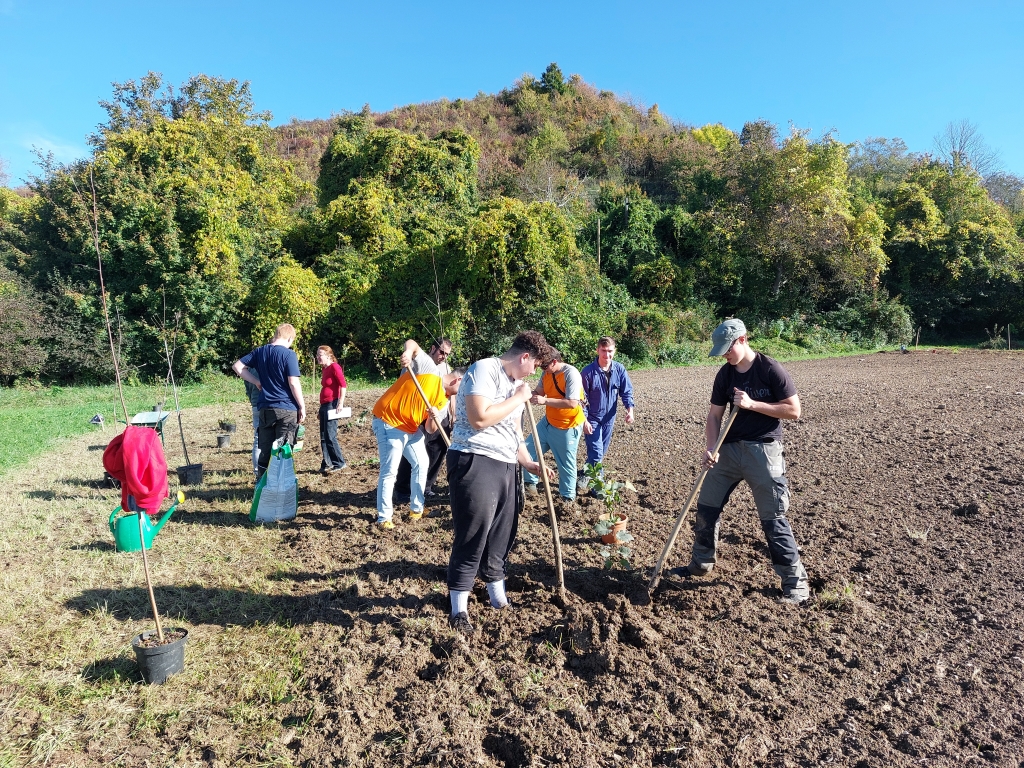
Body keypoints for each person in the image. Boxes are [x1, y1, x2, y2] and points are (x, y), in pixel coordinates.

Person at [670, 319, 810, 605]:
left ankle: (795, 584)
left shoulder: (770, 369)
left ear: (743, 340)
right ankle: (701, 564)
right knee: (706, 508)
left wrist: (752, 404)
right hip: (728, 450)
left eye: (728, 349)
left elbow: (794, 411)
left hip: (764, 451)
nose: (725, 355)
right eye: (721, 351)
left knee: (773, 519)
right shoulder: (725, 375)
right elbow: (713, 416)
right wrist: (710, 447)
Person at [446, 331, 554, 635]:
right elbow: (479, 417)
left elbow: (513, 433)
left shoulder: (515, 385)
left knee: (501, 536)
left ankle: (498, 599)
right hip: (474, 459)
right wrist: (518, 398)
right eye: (536, 365)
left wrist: (529, 462)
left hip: (507, 465)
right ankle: (458, 609)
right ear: (524, 357)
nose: (535, 372)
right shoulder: (484, 369)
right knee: (473, 535)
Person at [371, 339, 463, 528]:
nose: (463, 394)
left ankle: (417, 509)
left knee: (422, 463)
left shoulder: (443, 401)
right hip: (389, 420)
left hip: (409, 428)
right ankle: (384, 517)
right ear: (457, 380)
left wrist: (433, 416)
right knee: (390, 470)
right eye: (463, 389)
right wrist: (407, 353)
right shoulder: (430, 370)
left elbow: (430, 429)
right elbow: (412, 343)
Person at [232, 323, 305, 478]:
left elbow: (238, 367)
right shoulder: (289, 355)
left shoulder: (260, 351)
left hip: (265, 408)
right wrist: (302, 406)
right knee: (283, 448)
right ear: (290, 338)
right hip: (286, 408)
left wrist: (256, 381)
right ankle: (281, 485)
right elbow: (293, 382)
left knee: (265, 450)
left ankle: (263, 483)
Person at [393, 338, 454, 501]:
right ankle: (402, 488)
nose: (444, 357)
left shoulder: (446, 368)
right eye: (442, 352)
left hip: (439, 413)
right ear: (433, 348)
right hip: (418, 414)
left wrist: (451, 411)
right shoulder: (420, 362)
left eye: (447, 354)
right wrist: (407, 353)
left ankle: (427, 485)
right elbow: (411, 344)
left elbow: (451, 389)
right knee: (413, 451)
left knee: (439, 449)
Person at [522, 349, 585, 504]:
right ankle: (530, 484)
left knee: (565, 464)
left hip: (567, 425)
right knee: (528, 449)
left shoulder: (571, 374)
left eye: (544, 366)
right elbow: (539, 391)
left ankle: (567, 498)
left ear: (555, 362)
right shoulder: (547, 374)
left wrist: (544, 401)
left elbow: (572, 403)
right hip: (548, 422)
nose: (541, 370)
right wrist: (524, 393)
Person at [580, 336, 636, 473]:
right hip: (592, 418)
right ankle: (597, 488)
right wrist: (584, 421)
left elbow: (626, 391)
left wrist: (630, 410)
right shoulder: (587, 372)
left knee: (600, 453)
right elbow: (581, 399)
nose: (607, 355)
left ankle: (586, 474)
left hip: (609, 419)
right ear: (597, 350)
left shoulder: (619, 369)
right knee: (597, 453)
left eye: (610, 351)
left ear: (614, 351)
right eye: (603, 351)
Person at [316, 345, 347, 473]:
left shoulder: (335, 367)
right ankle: (327, 463)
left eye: (320, 354)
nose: (318, 357)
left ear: (328, 355)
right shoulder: (325, 369)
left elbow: (343, 385)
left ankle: (339, 463)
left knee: (330, 435)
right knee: (323, 435)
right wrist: (320, 409)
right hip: (324, 405)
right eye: (317, 355)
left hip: (332, 404)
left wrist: (340, 403)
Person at [243, 366, 261, 476]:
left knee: (258, 439)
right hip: (268, 404)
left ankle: (257, 471)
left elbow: (248, 389)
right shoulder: (267, 365)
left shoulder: (250, 369)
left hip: (256, 404)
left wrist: (253, 401)